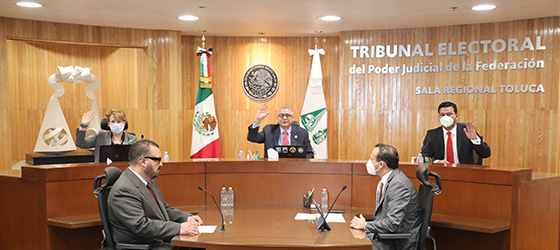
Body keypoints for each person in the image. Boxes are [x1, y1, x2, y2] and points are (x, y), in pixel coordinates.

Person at [108, 139, 203, 248]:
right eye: (157, 160)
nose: (161, 164)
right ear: (143, 162)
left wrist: (186, 217)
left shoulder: (149, 181)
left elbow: (164, 209)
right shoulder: (124, 190)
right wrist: (180, 228)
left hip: (158, 240)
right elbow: (141, 225)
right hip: (144, 245)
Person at [350, 144, 422, 250]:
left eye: (371, 159)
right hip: (389, 237)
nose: (369, 162)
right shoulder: (391, 180)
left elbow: (392, 223)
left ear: (381, 165)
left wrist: (365, 225)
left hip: (398, 242)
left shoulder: (398, 185)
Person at [420, 101, 491, 164]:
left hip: (465, 173)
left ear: (456, 116)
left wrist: (474, 140)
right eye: (442, 115)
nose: (445, 117)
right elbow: (424, 156)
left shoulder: (467, 131)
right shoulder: (432, 134)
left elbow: (486, 154)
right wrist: (437, 162)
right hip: (440, 173)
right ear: (439, 117)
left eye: (449, 114)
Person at [247, 104, 314, 158]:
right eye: (281, 115)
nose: (284, 118)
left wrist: (299, 161)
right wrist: (258, 121)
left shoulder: (302, 133)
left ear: (292, 118)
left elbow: (310, 154)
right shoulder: (269, 130)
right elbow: (252, 138)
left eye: (287, 115)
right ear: (277, 118)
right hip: (273, 168)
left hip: (294, 168)